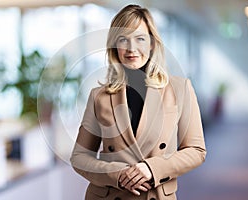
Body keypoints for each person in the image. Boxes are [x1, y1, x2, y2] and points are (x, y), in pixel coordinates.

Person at [70, 4, 206, 200]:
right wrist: (117, 174)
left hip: (155, 194)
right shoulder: (99, 96)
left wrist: (152, 168)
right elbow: (80, 157)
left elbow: (196, 150)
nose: (131, 49)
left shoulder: (180, 89)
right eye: (123, 39)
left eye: (140, 39)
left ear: (152, 43)